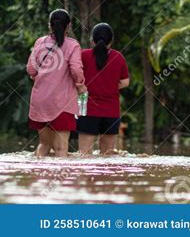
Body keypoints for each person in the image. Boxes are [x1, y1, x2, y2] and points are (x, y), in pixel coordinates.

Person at [27, 9, 86, 157]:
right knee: (61, 149)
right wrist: (80, 85)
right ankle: (62, 178)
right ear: (69, 26)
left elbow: (31, 69)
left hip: (40, 100)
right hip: (62, 102)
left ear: (50, 25)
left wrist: (39, 78)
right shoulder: (72, 45)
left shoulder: (40, 42)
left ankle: (39, 179)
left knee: (43, 145)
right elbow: (76, 70)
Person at [77, 22, 130, 155]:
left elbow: (74, 77)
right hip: (111, 113)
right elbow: (125, 82)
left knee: (84, 155)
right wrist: (110, 86)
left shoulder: (84, 55)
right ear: (111, 40)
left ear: (92, 40)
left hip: (88, 111)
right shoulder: (118, 57)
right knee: (108, 156)